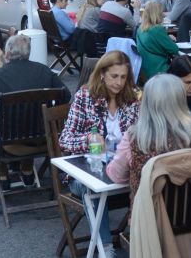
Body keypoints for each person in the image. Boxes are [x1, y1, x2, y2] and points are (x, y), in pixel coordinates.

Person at [60, 51, 141, 258]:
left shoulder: (132, 98)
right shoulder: (85, 97)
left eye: (123, 77)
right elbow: (65, 140)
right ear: (102, 74)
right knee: (92, 189)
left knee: (151, 178)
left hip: (122, 169)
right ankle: (106, 248)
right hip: (88, 169)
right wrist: (89, 139)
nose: (119, 82)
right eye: (114, 76)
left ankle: (142, 240)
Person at [106, 73, 191, 204]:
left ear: (146, 102)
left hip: (150, 220)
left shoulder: (134, 138)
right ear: (181, 100)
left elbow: (117, 176)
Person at [0, 35, 70, 187]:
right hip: (45, 139)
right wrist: (51, 119)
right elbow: (66, 95)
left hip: (12, 145)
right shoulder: (43, 70)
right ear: (28, 53)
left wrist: (2, 130)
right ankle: (27, 171)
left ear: (7, 53)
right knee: (31, 122)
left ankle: (2, 176)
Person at [136, 1, 180, 81]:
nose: (163, 15)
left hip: (145, 71)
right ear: (157, 14)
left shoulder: (140, 29)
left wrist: (166, 37)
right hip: (160, 70)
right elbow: (174, 49)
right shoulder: (157, 29)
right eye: (161, 12)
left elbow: (152, 43)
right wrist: (168, 39)